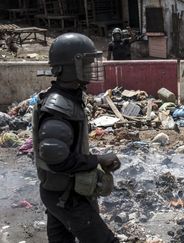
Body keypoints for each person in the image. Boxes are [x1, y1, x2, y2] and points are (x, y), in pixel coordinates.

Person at [32, 32, 121, 243]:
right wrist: (97, 160)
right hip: (65, 196)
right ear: (73, 65)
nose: (92, 67)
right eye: (88, 62)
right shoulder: (58, 106)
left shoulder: (69, 98)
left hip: (59, 191)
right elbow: (57, 159)